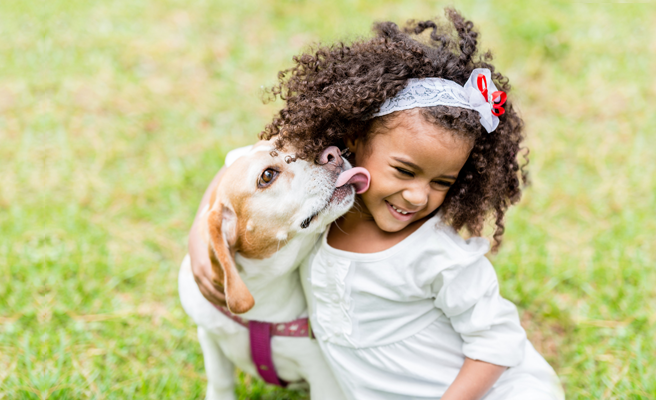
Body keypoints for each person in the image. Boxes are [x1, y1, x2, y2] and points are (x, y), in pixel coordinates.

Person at [189, 8, 563, 399]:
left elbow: (499, 341)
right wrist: (204, 234)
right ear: (353, 138)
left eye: (442, 182)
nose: (418, 195)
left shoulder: (439, 255)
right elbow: (246, 164)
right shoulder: (323, 206)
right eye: (403, 171)